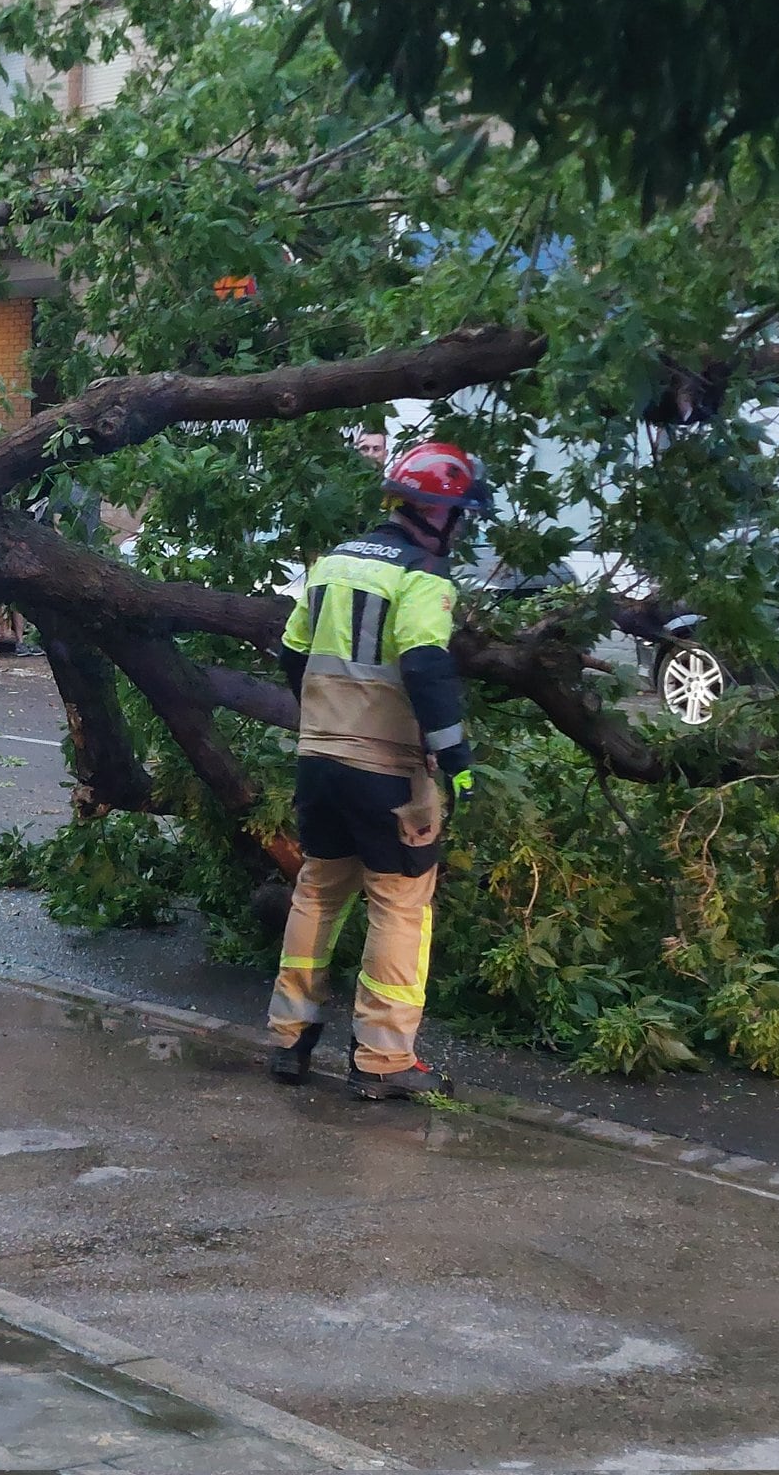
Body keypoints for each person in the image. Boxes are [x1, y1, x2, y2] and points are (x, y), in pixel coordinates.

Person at [266, 441, 491, 1101]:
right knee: (399, 903)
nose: (461, 529)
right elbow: (424, 664)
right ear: (437, 513)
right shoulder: (424, 576)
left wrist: (322, 718)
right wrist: (456, 759)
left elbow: (292, 653)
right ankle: (382, 1060)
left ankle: (289, 1037)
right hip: (387, 770)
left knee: (317, 891)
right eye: (460, 515)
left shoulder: (334, 563)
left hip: (319, 760)